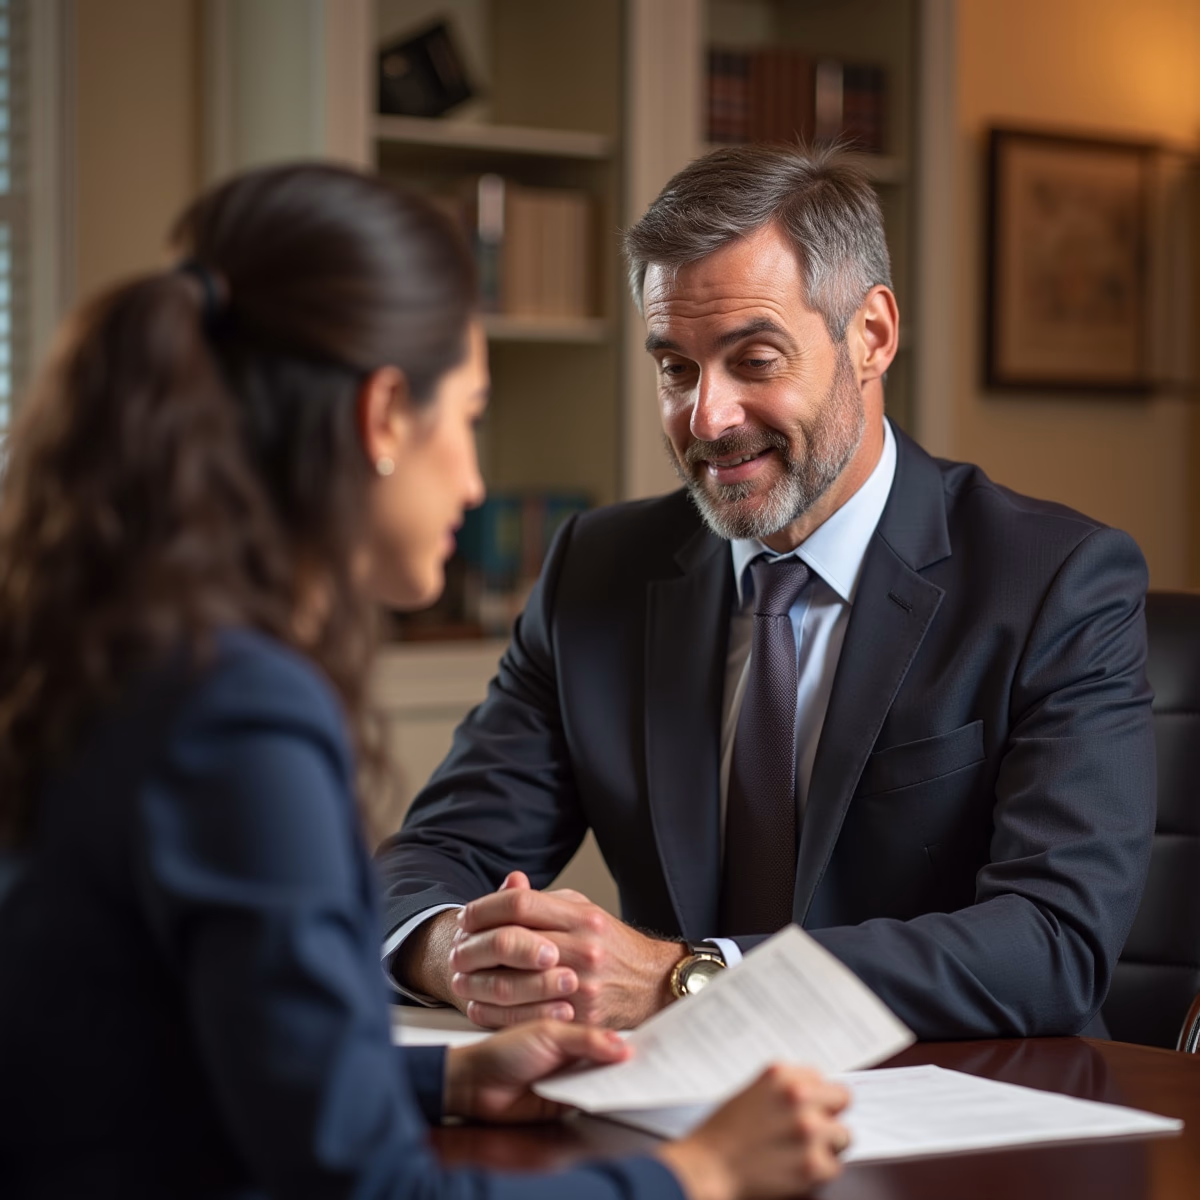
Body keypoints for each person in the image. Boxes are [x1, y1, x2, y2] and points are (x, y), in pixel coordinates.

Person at [0, 163, 851, 1199]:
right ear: (384, 416)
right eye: (471, 417)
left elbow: (145, 1049)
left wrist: (437, 1077)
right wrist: (699, 1175)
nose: (478, 480)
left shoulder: (121, 653)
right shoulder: (241, 712)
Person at [378, 143, 1157, 1039]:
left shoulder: (1056, 582)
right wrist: (461, 954)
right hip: (675, 1122)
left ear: (871, 335)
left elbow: (1053, 942)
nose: (706, 418)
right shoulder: (599, 570)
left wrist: (692, 978)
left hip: (967, 1116)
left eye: (754, 359)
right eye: (675, 367)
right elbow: (432, 857)